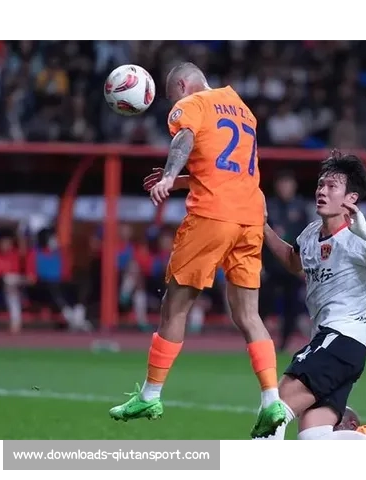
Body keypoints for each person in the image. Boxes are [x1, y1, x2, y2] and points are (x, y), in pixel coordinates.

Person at [109, 62, 286, 439]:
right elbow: (226, 168)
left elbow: (184, 139)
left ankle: (150, 395)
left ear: (182, 85)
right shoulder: (241, 108)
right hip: (250, 217)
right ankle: (271, 400)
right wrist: (183, 181)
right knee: (248, 315)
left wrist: (170, 176)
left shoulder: (191, 104)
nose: (173, 104)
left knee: (175, 306)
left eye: (172, 96)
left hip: (211, 217)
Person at [257, 150, 366, 441]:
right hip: (332, 343)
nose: (322, 191)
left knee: (272, 412)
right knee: (314, 439)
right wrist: (262, 227)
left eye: (332, 186)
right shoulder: (310, 233)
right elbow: (293, 262)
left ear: (350, 198)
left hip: (341, 339)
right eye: (321, 184)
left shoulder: (358, 237)